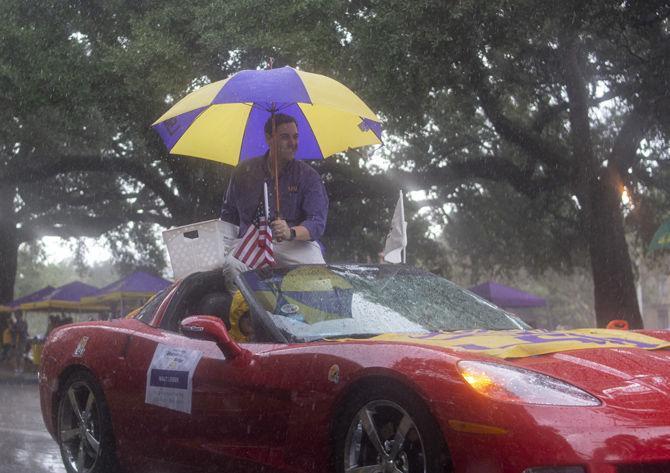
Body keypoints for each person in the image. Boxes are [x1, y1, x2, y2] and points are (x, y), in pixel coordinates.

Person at [221, 113, 329, 287]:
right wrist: (223, 249)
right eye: (285, 137)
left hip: (294, 244)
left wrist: (290, 232)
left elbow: (317, 222)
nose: (293, 143)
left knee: (320, 279)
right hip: (251, 242)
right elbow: (228, 218)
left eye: (295, 137)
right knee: (231, 266)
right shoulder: (243, 171)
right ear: (269, 138)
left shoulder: (309, 176)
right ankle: (248, 312)